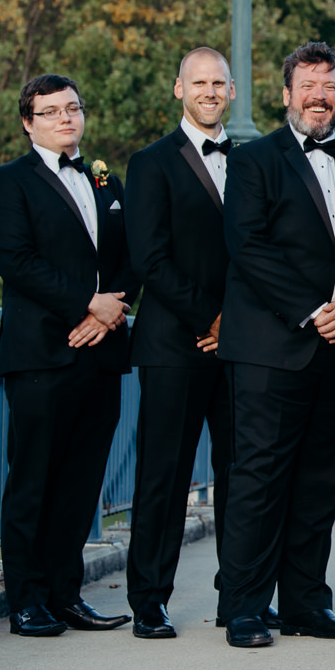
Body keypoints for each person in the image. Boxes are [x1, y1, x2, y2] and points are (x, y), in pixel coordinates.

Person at [0, 73, 138, 637]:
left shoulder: (105, 181)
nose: (65, 118)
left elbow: (131, 257)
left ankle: (67, 595)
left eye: (72, 108)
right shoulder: (5, 184)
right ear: (28, 122)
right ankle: (26, 601)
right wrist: (85, 304)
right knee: (33, 482)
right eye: (50, 112)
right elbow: (17, 262)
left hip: (101, 353)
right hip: (42, 355)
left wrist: (111, 310)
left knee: (80, 483)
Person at [215, 41, 335, 649]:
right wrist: (312, 311)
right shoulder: (254, 161)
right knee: (258, 478)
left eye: (327, 86)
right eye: (307, 85)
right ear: (286, 95)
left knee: (321, 482)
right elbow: (248, 246)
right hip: (270, 346)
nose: (318, 96)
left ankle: (304, 602)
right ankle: (244, 606)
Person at [123, 47, 242, 639]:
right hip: (173, 344)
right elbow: (148, 257)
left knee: (240, 474)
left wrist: (235, 325)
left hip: (240, 347)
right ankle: (149, 598)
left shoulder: (248, 162)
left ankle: (237, 596)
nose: (210, 91)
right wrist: (210, 319)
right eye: (199, 82)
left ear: (233, 91)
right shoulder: (150, 164)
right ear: (179, 90)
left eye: (219, 82)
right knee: (162, 476)